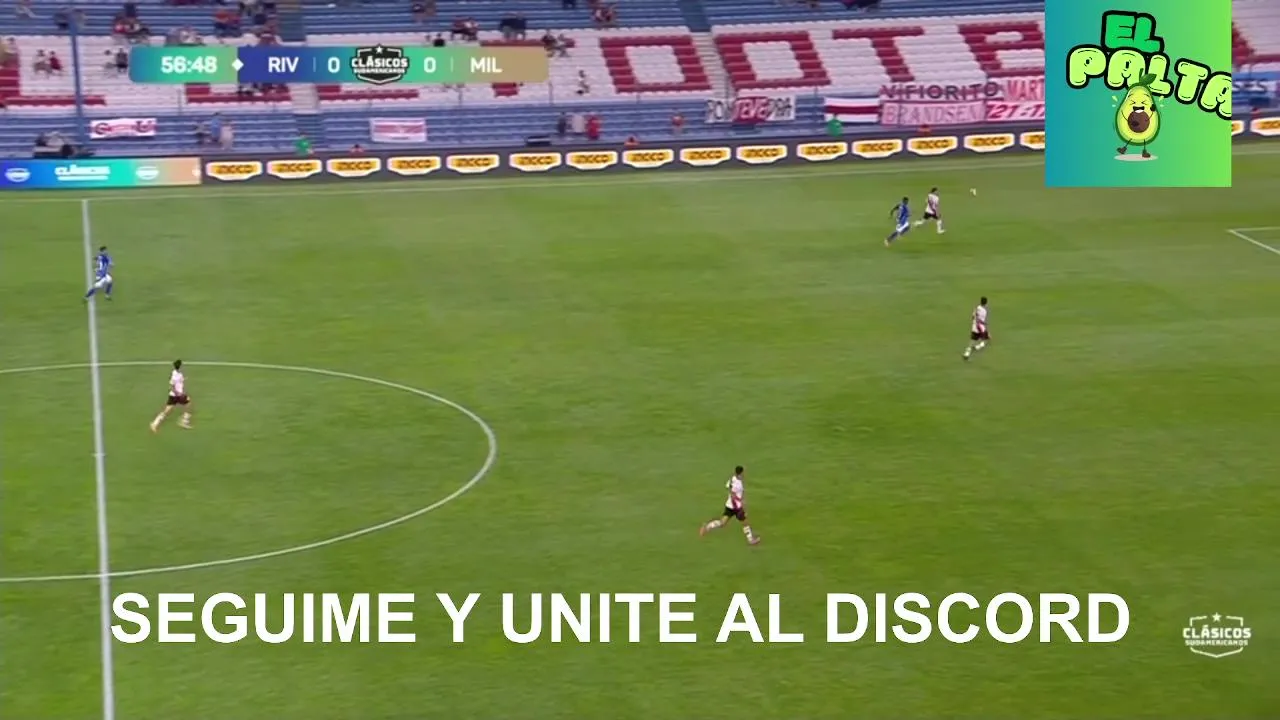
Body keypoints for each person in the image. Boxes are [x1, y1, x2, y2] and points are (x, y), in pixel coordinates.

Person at [699, 466, 760, 545]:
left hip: (729, 505)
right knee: (745, 522)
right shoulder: (738, 484)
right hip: (736, 507)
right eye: (743, 472)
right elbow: (733, 494)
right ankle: (751, 540)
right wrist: (741, 502)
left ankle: (707, 527)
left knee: (722, 523)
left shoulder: (732, 479)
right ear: (740, 473)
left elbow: (729, 488)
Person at [150, 360, 193, 432]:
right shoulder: (175, 376)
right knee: (188, 404)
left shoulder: (178, 373)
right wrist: (178, 393)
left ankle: (155, 423)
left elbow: (179, 381)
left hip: (175, 395)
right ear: (180, 366)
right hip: (177, 395)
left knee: (167, 410)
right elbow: (171, 387)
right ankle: (184, 421)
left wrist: (183, 379)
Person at [963, 297, 990, 361]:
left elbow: (973, 316)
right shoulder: (984, 311)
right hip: (980, 327)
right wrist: (985, 323)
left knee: (972, 340)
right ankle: (979, 346)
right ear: (986, 303)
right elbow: (980, 321)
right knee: (987, 337)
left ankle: (967, 353)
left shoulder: (977, 308)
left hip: (974, 326)